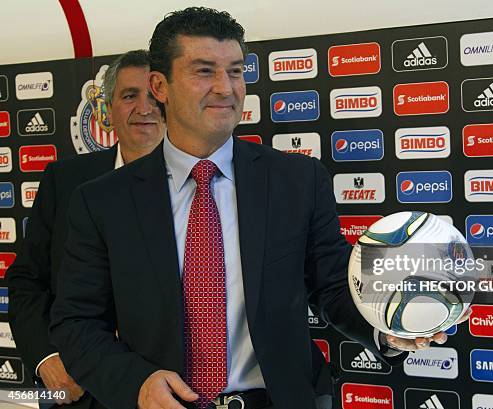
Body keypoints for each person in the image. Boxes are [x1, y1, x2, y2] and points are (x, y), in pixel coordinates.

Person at [49, 8, 459, 409]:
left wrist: (389, 327)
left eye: (236, 70)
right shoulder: (102, 201)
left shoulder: (298, 181)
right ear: (160, 85)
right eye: (204, 71)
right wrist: (136, 384)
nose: (226, 88)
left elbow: (334, 286)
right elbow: (78, 323)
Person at [7, 49, 164, 408]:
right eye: (129, 96)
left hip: (170, 390)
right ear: (107, 110)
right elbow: (27, 280)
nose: (145, 107)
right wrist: (48, 359)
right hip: (80, 390)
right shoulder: (65, 180)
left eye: (155, 96)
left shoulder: (205, 183)